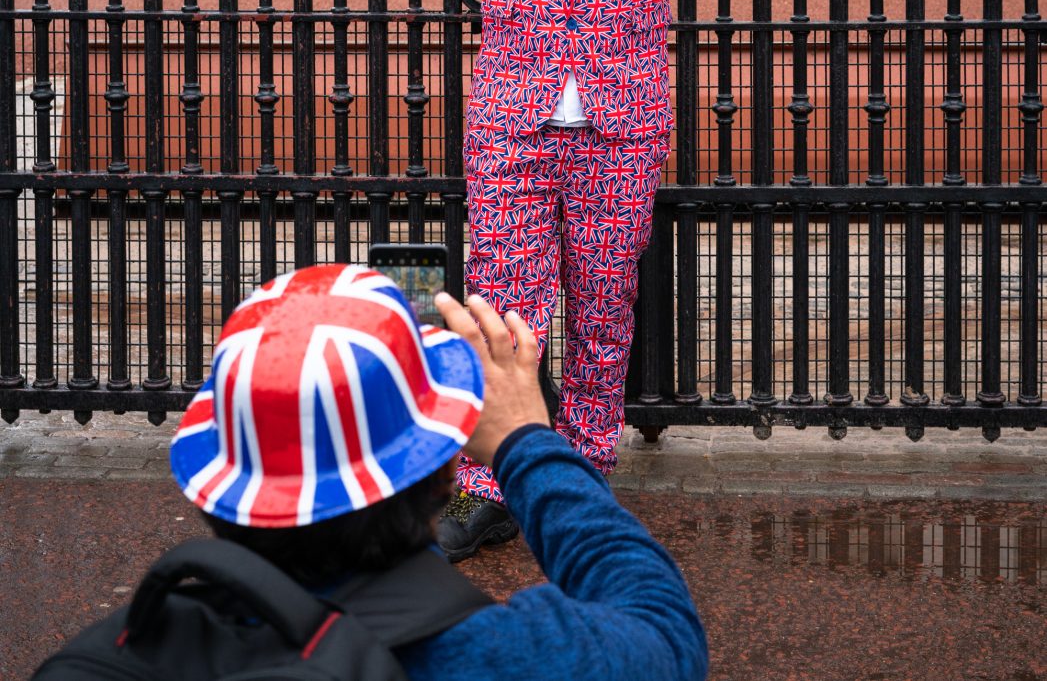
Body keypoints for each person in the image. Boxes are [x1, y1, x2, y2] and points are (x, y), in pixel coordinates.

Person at [294, 0, 868, 559]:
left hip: (621, 115)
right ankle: (487, 483)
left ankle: (586, 472)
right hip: (512, 116)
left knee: (603, 306)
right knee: (505, 307)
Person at [35, 265, 708, 681]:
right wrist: (523, 441)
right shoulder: (508, 655)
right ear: (443, 468)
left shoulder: (125, 649)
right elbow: (660, 623)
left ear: (223, 483)